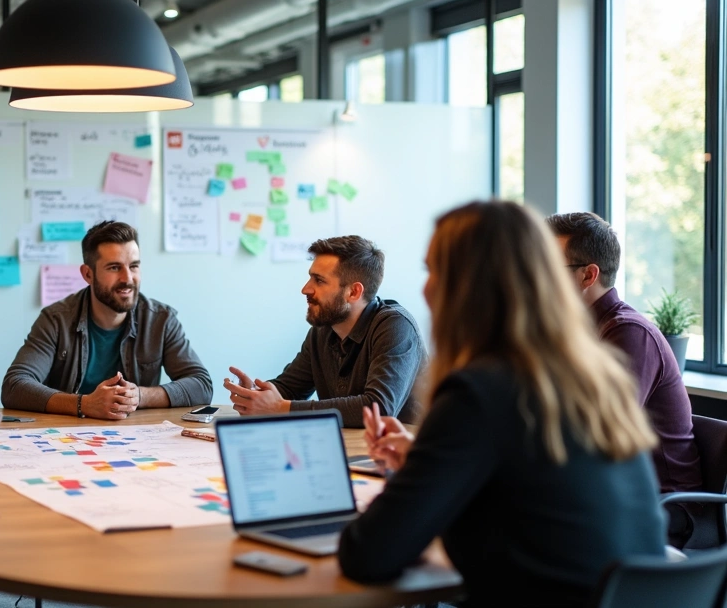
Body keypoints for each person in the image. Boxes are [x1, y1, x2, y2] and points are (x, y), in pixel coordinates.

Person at [339, 201, 665, 608]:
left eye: (435, 270)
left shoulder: (479, 391)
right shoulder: (595, 376)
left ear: (472, 285)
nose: (425, 289)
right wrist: (427, 464)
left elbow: (368, 554)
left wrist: (416, 483)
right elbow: (531, 492)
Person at [547, 211, 701, 495]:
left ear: (588, 275)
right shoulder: (578, 332)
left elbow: (600, 437)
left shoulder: (629, 333)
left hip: (666, 506)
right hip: (612, 494)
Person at [2, 220, 212, 419]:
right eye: (114, 267)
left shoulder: (161, 320)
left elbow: (201, 385)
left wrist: (139, 396)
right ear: (88, 274)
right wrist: (84, 404)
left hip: (138, 438)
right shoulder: (56, 320)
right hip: (65, 436)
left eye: (134, 266)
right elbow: (15, 386)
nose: (127, 278)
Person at [224, 235, 427, 426]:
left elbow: (378, 408)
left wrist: (279, 407)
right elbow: (290, 389)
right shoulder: (324, 330)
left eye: (319, 280)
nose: (306, 289)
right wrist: (256, 395)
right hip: (355, 451)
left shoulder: (396, 326)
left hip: (407, 457)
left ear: (354, 292)